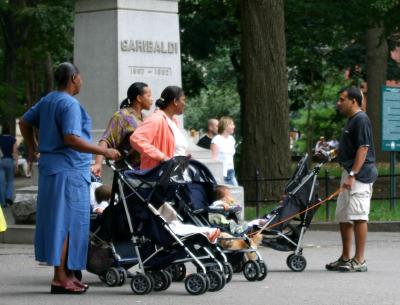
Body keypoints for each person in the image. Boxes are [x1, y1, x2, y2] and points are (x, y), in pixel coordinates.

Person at [19, 62, 120, 294]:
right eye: (81, 77)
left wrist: (33, 147)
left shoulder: (48, 100)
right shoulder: (70, 104)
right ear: (74, 78)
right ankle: (60, 278)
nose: (82, 81)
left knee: (59, 223)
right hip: (68, 170)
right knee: (66, 225)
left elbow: (25, 122)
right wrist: (103, 151)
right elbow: (71, 138)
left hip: (52, 169)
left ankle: (64, 275)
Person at [325, 86, 377, 273]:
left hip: (360, 175)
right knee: (344, 216)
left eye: (341, 99)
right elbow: (351, 147)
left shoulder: (361, 119)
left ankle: (359, 260)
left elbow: (363, 149)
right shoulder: (351, 121)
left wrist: (353, 175)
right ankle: (346, 257)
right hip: (350, 172)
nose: (338, 103)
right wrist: (332, 151)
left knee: (359, 216)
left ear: (353, 101)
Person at [91, 82, 153, 176]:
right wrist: (98, 164)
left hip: (147, 172)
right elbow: (105, 140)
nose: (152, 99)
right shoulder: (122, 116)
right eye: (149, 96)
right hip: (128, 174)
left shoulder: (146, 118)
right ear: (139, 98)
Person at [130, 85, 188, 170]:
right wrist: (162, 157)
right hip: (160, 177)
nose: (185, 103)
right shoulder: (156, 119)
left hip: (177, 175)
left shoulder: (173, 121)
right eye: (183, 100)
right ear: (175, 101)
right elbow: (136, 139)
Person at [211, 116, 238, 186]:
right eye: (232, 124)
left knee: (236, 193)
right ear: (226, 126)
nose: (234, 126)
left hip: (231, 172)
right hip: (221, 174)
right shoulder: (217, 139)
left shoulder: (232, 139)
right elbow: (214, 159)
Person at [0, 124, 18, 207]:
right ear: (9, 130)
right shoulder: (13, 139)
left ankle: (3, 202)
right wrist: (16, 164)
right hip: (9, 161)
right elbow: (15, 153)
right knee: (10, 181)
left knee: (1, 182)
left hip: (0, 161)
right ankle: (8, 198)